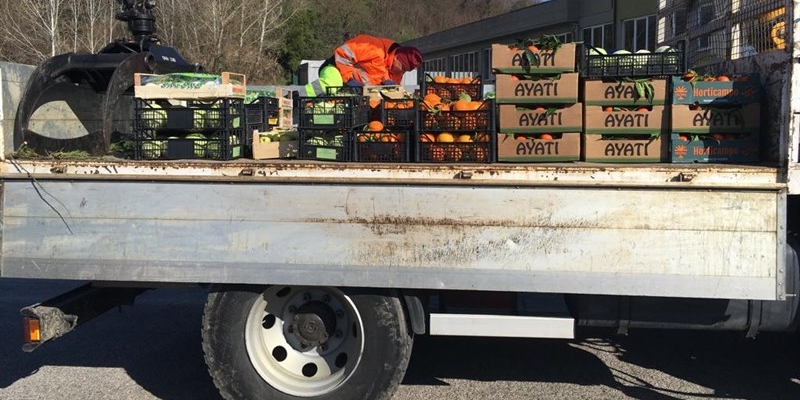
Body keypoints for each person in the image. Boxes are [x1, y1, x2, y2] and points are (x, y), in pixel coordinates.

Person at [304, 34, 423, 96]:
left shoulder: (395, 74)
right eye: (403, 68)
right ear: (397, 57)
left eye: (406, 71)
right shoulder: (373, 47)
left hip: (355, 90)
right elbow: (342, 54)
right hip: (336, 68)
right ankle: (298, 98)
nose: (402, 73)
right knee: (332, 83)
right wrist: (348, 78)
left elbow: (388, 95)